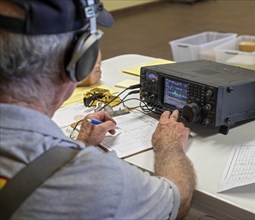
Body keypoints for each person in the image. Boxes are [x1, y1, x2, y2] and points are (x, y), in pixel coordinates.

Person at [0, 0, 196, 219]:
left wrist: (81, 143)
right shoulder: (89, 180)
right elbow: (176, 202)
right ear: (80, 62)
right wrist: (169, 146)